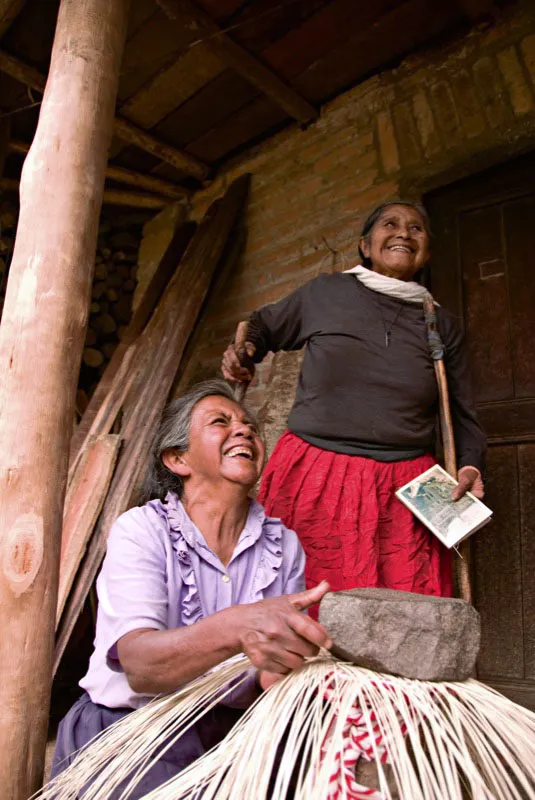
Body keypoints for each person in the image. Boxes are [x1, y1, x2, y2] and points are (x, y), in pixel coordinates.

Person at [51, 380, 331, 797]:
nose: (244, 431)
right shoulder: (142, 531)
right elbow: (142, 666)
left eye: (249, 425)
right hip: (130, 733)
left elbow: (272, 673)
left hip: (228, 735)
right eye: (221, 422)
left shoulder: (282, 544)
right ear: (177, 458)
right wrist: (240, 627)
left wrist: (295, 672)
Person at [222, 201, 486, 609]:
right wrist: (245, 352)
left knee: (404, 612)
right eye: (390, 224)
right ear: (365, 245)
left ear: (427, 253)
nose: (403, 233)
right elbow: (262, 327)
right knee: (303, 602)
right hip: (318, 474)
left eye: (416, 229)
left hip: (406, 485)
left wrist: (468, 465)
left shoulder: (441, 323)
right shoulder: (325, 293)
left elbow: (462, 408)